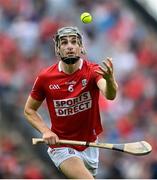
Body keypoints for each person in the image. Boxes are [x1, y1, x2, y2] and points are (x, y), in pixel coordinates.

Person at [24, 26, 118, 179]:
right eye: (64, 43)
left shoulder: (93, 71)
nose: (69, 46)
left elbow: (109, 94)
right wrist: (46, 131)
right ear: (58, 49)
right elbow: (29, 110)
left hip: (90, 145)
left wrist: (110, 81)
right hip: (61, 145)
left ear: (80, 47)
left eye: (74, 42)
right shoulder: (45, 78)